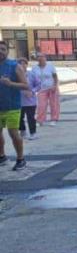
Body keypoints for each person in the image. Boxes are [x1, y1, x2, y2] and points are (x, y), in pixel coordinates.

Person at [0, 41, 29, 170]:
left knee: (13, 133)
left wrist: (10, 83)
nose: (0, 52)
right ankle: (2, 156)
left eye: (3, 49)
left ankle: (20, 159)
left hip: (12, 106)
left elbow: (26, 85)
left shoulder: (14, 66)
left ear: (7, 51)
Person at [32, 53, 60, 127]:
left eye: (42, 57)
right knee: (41, 105)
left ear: (45, 58)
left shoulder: (50, 66)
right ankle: (40, 120)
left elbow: (55, 77)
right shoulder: (34, 68)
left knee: (53, 104)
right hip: (41, 89)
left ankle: (54, 119)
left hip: (52, 87)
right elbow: (33, 79)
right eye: (38, 57)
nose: (40, 58)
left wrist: (55, 85)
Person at [18, 58, 39, 140]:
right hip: (19, 101)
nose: (23, 65)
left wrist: (32, 91)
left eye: (24, 63)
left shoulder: (32, 74)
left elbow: (38, 85)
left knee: (31, 118)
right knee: (19, 118)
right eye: (20, 64)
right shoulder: (15, 75)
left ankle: (33, 133)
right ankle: (22, 131)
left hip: (30, 101)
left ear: (27, 65)